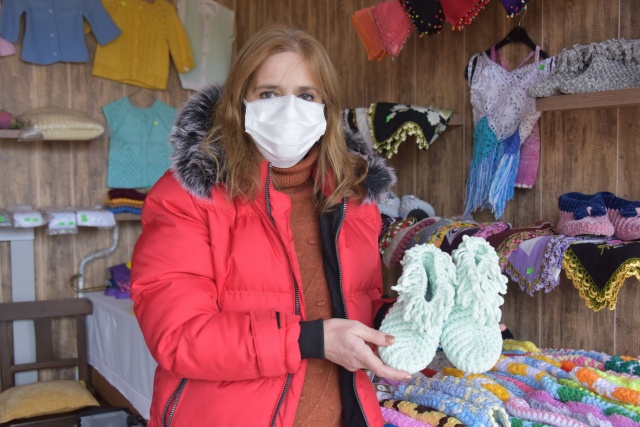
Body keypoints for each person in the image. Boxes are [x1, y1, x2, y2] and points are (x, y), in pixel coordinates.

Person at [130, 23, 410, 427]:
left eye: (306, 95)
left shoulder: (352, 198)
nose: (288, 109)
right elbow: (179, 336)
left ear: (326, 108)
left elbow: (356, 307)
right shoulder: (188, 197)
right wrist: (310, 340)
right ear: (240, 101)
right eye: (268, 94)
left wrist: (418, 319)